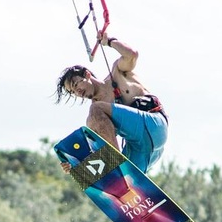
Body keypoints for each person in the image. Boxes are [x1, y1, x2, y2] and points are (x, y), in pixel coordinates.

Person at [55, 34, 168, 173]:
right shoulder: (95, 119)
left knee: (96, 110)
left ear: (87, 74)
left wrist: (109, 41)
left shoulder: (116, 73)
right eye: (73, 92)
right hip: (141, 148)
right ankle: (119, 170)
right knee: (125, 177)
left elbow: (132, 55)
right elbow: (98, 152)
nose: (77, 92)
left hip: (153, 124)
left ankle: (115, 162)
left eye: (75, 84)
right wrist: (75, 164)